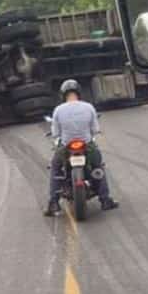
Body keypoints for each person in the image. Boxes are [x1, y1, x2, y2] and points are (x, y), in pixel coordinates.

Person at [44, 79, 119, 216]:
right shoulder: (88, 107)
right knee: (98, 166)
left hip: (66, 147)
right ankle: (105, 200)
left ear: (63, 95)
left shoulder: (58, 110)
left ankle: (53, 203)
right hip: (87, 146)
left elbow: (55, 133)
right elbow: (95, 129)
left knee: (55, 167)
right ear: (79, 92)